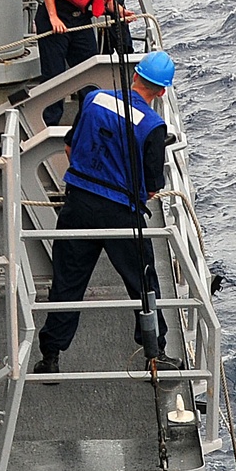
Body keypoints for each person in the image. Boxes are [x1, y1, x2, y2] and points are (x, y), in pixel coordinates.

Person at [34, 50, 181, 375]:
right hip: (121, 215)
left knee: (67, 280)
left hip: (78, 204)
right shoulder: (154, 127)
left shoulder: (93, 99)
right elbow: (153, 188)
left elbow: (71, 146)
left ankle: (50, 358)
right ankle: (155, 355)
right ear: (162, 90)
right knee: (143, 283)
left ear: (135, 76)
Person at [35, 0, 135, 126]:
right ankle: (47, 127)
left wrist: (121, 12)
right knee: (54, 79)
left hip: (79, 19)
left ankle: (87, 125)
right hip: (56, 19)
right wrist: (53, 17)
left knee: (90, 76)